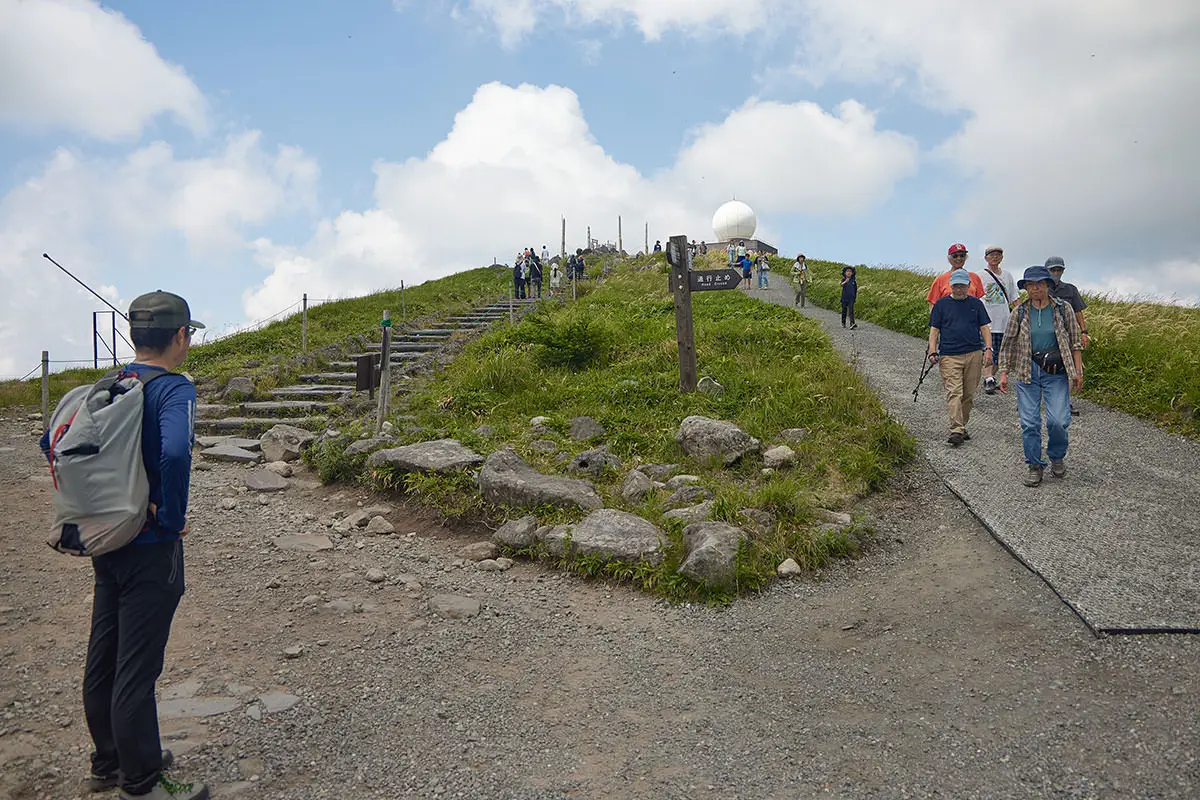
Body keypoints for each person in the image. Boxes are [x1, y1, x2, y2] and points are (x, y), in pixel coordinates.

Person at [40, 291, 209, 800]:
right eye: (189, 334)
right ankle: (141, 784)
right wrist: (172, 516)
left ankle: (109, 762)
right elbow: (176, 452)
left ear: (136, 336)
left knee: (106, 654)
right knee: (138, 668)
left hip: (107, 538)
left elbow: (53, 443)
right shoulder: (173, 389)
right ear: (179, 336)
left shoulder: (110, 384)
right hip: (151, 543)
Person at [998, 265, 1084, 486]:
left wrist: (1077, 371)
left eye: (1039, 284)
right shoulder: (1019, 312)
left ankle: (1056, 456)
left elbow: (1075, 341)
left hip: (1056, 372)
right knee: (1029, 423)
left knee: (1058, 421)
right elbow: (1008, 344)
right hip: (1028, 371)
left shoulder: (1063, 309)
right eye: (1030, 285)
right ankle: (1035, 465)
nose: (1035, 289)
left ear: (1047, 286)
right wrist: (1004, 372)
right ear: (1026, 288)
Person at [928, 270, 992, 446]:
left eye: (963, 285)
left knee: (968, 393)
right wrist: (932, 351)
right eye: (956, 285)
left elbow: (985, 327)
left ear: (968, 286)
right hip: (949, 354)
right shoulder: (941, 305)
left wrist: (988, 349)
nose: (959, 289)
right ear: (951, 286)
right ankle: (956, 429)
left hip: (974, 353)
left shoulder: (976, 304)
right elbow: (934, 330)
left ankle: (961, 426)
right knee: (954, 391)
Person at [1045, 256, 1089, 416]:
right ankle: (1033, 398)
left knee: (1069, 364)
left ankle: (1066, 402)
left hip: (1068, 332)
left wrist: (1084, 332)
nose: (1056, 273)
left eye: (1059, 270)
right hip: (1046, 333)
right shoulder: (1041, 288)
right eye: (1053, 270)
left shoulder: (1070, 289)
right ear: (1047, 271)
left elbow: (1078, 311)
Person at [979, 245, 1017, 395]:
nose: (995, 257)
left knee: (1000, 353)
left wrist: (1022, 314)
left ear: (1002, 257)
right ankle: (988, 378)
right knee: (987, 350)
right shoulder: (979, 275)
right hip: (986, 321)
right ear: (986, 258)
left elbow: (1014, 297)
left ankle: (991, 377)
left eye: (998, 255)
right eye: (991, 255)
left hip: (1004, 321)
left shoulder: (1007, 276)